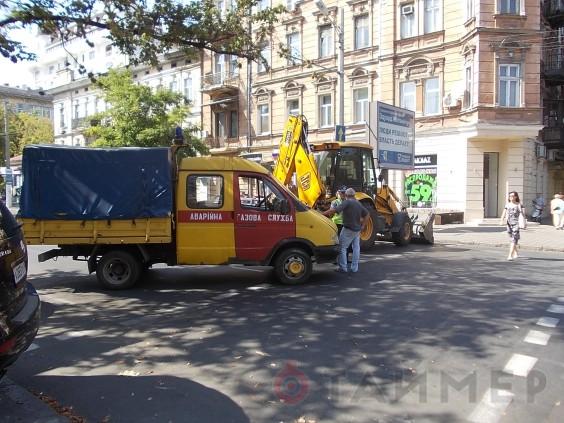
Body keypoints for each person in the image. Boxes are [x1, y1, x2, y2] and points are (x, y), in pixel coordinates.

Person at [323, 188, 368, 274]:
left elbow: (334, 210)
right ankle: (354, 268)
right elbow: (367, 214)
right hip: (357, 229)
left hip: (348, 229)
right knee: (356, 248)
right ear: (354, 195)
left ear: (346, 195)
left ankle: (343, 267)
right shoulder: (358, 203)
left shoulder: (347, 202)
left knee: (342, 248)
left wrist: (321, 214)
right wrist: (363, 226)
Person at [499, 191, 525, 261]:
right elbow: (504, 213)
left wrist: (524, 223)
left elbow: (523, 214)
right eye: (510, 196)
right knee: (512, 239)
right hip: (509, 224)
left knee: (513, 239)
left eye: (513, 196)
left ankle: (510, 255)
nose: (511, 197)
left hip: (516, 224)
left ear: (516, 197)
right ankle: (516, 252)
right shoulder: (507, 205)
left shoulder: (519, 204)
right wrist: (501, 220)